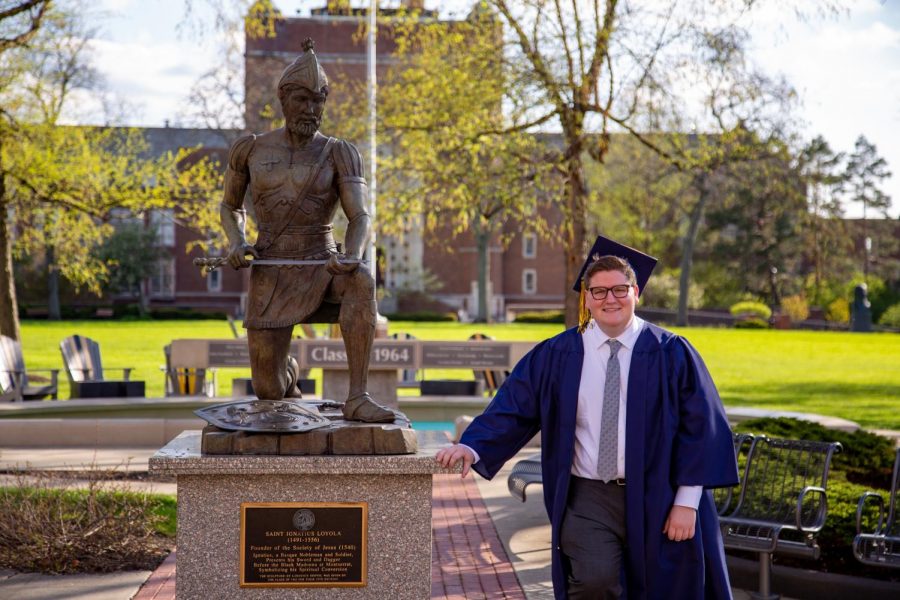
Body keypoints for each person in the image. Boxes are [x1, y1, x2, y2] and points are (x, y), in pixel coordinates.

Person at [436, 236, 738, 599]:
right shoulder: (559, 353)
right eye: (598, 291)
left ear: (636, 292)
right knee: (594, 581)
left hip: (661, 493)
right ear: (586, 298)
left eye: (619, 289)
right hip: (588, 495)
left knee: (664, 587)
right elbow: (515, 405)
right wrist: (473, 445)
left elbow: (701, 430)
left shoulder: (672, 353)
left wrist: (687, 503)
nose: (609, 299)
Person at [219, 38, 393, 423]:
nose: (312, 110)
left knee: (362, 281)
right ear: (284, 99)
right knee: (268, 389)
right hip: (272, 270)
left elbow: (359, 215)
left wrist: (352, 254)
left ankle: (358, 397)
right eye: (303, 100)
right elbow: (230, 206)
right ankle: (291, 374)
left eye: (319, 101)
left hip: (322, 264)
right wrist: (236, 241)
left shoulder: (339, 152)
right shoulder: (249, 149)